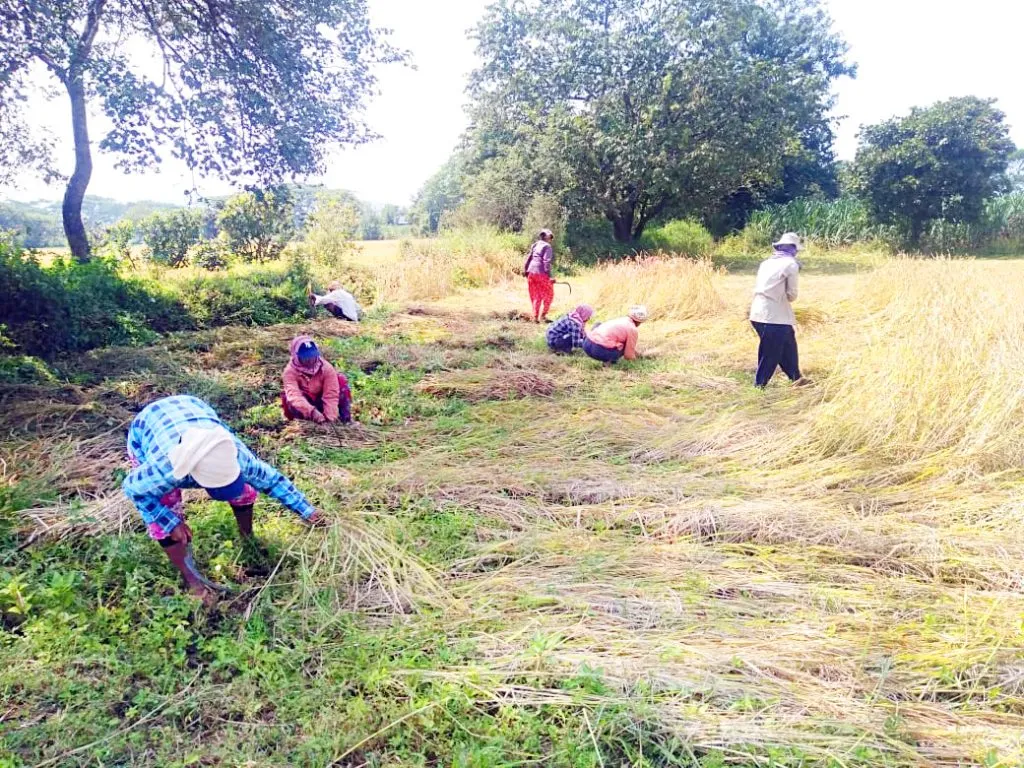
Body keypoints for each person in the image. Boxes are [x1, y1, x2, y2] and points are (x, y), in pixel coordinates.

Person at [122, 395, 321, 605]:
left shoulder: (237, 456)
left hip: (192, 409)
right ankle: (192, 581)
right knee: (166, 513)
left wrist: (307, 511)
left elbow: (273, 481)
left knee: (245, 492)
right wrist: (169, 521)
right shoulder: (163, 470)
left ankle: (248, 538)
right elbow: (134, 490)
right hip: (148, 426)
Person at [749, 232, 809, 388]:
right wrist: (795, 269)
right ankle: (759, 385)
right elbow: (792, 295)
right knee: (771, 352)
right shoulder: (791, 264)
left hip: (757, 312)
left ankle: (796, 378)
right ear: (794, 249)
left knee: (788, 343)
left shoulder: (766, 263)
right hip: (774, 316)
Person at [281, 335, 353, 424]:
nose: (310, 361)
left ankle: (345, 421)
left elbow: (331, 394)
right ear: (296, 356)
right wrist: (312, 412)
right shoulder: (289, 372)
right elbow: (295, 396)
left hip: (321, 402)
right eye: (306, 357)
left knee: (341, 383)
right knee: (288, 398)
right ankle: (303, 423)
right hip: (304, 406)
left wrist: (329, 418)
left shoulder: (326, 368)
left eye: (312, 356)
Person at [583, 305, 648, 364]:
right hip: (598, 351)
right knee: (623, 346)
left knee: (599, 326)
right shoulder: (632, 329)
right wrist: (637, 361)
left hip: (587, 344)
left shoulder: (621, 320)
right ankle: (608, 362)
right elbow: (628, 355)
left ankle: (608, 360)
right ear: (640, 322)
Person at [523, 229, 555, 323]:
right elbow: (546, 262)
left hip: (531, 272)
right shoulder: (547, 246)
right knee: (549, 294)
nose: (551, 239)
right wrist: (549, 277)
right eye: (550, 237)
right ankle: (543, 316)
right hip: (541, 273)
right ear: (547, 237)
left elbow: (529, 258)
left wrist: (525, 270)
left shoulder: (535, 244)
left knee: (535, 295)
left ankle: (535, 317)